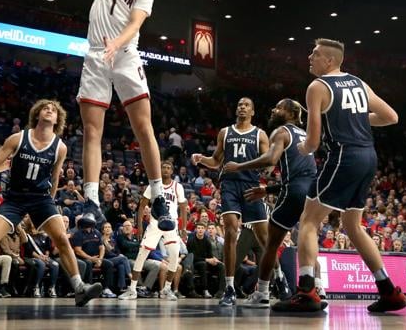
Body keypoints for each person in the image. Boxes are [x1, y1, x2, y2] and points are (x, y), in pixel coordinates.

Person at [273, 39, 406, 313]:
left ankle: (306, 290)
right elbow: (391, 116)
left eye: (315, 54)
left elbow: (312, 141)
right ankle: (388, 290)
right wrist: (355, 117)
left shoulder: (317, 87)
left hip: (344, 156)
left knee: (308, 220)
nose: (310, 56)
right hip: (368, 157)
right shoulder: (359, 83)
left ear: (329, 61)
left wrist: (302, 148)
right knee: (353, 226)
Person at [75, 0, 172, 233]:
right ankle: (91, 200)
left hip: (126, 56)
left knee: (143, 127)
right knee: (91, 131)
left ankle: (159, 194)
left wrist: (119, 41)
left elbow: (136, 22)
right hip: (96, 57)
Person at [0, 99, 101, 307]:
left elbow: (54, 176)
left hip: (41, 199)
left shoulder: (60, 147)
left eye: (53, 109)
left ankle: (80, 288)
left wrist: (50, 203)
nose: (50, 110)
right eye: (45, 108)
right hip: (15, 197)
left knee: (61, 237)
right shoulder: (18, 138)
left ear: (58, 119)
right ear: (37, 114)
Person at [226, 98, 315, 307]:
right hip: (312, 194)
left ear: (291, 114)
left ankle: (262, 292)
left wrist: (239, 167)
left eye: (279, 107)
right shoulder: (306, 135)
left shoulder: (281, 132)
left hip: (293, 192)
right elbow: (304, 174)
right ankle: (316, 288)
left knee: (270, 244)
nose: (274, 110)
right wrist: (267, 189)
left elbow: (270, 160)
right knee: (307, 241)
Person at [191, 97, 269, 306]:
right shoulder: (225, 133)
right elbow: (216, 161)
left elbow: (269, 163)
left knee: (264, 238)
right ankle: (230, 287)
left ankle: (276, 279)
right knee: (232, 230)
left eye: (246, 105)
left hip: (252, 187)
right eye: (239, 105)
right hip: (230, 187)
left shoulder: (260, 134)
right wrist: (201, 158)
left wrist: (265, 183)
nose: (241, 107)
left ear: (253, 111)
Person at [119, 161, 188, 300]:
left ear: (172, 171)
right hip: (155, 223)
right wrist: (138, 227)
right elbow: (142, 205)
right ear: (160, 169)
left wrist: (184, 227)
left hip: (171, 224)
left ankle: (166, 289)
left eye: (169, 168)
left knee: (175, 255)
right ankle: (132, 289)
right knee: (142, 254)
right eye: (164, 167)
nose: (166, 170)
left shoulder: (177, 186)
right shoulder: (154, 185)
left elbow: (183, 208)